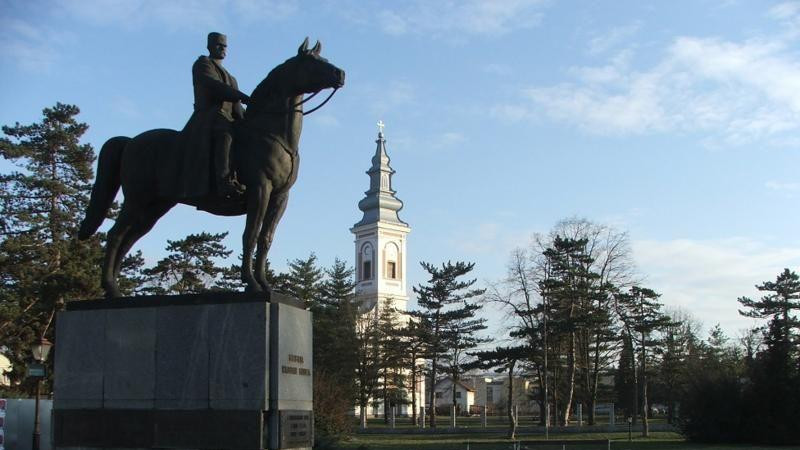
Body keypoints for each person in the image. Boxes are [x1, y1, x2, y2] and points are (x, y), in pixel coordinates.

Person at [184, 32, 250, 197]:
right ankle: (224, 181)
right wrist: (241, 96)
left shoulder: (231, 78)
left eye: (224, 45)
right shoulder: (203, 64)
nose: (222, 48)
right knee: (226, 133)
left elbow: (237, 109)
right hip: (208, 115)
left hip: (227, 116)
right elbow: (214, 86)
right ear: (209, 46)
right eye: (218, 44)